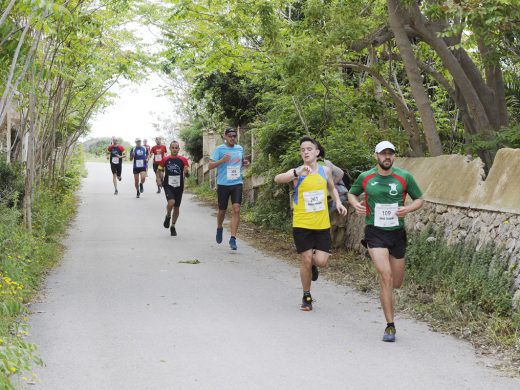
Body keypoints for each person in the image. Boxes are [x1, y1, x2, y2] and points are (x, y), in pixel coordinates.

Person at [348, 141, 424, 342]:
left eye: (390, 153)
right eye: (383, 154)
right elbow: (351, 193)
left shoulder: (404, 177)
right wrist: (356, 204)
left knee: (396, 283)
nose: (387, 157)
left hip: (397, 233)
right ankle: (390, 326)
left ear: (394, 157)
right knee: (386, 277)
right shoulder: (366, 177)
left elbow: (420, 199)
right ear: (376, 156)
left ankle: (387, 295)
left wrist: (408, 209)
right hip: (375, 232)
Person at [274, 136, 347, 311]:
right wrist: (296, 173)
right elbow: (278, 178)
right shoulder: (298, 172)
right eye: (302, 149)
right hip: (302, 223)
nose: (305, 152)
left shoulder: (325, 170)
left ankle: (313, 266)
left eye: (309, 149)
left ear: (317, 152)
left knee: (321, 261)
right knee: (305, 259)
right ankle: (306, 295)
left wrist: (337, 201)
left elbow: (331, 187)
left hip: (321, 223)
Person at [208, 127, 249, 250]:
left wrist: (244, 163)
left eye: (234, 136)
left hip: (237, 183)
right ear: (225, 137)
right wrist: (222, 160)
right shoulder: (219, 149)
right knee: (222, 210)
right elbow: (210, 166)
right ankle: (219, 227)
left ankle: (233, 238)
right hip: (223, 184)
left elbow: (239, 162)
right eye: (230, 136)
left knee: (236, 208)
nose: (232, 138)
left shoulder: (239, 148)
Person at [159, 141, 189, 236]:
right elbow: (159, 170)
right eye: (173, 147)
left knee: (176, 207)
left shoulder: (183, 160)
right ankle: (168, 215)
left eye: (176, 148)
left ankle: (173, 226)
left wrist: (186, 172)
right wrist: (159, 179)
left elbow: (187, 175)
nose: (175, 149)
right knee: (171, 202)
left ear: (179, 149)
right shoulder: (165, 159)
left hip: (179, 186)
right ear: (170, 148)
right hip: (168, 185)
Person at [317, 144, 348, 215]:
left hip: (340, 193)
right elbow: (340, 173)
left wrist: (331, 184)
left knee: (325, 213)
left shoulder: (324, 164)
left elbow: (340, 173)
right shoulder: (326, 162)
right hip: (339, 194)